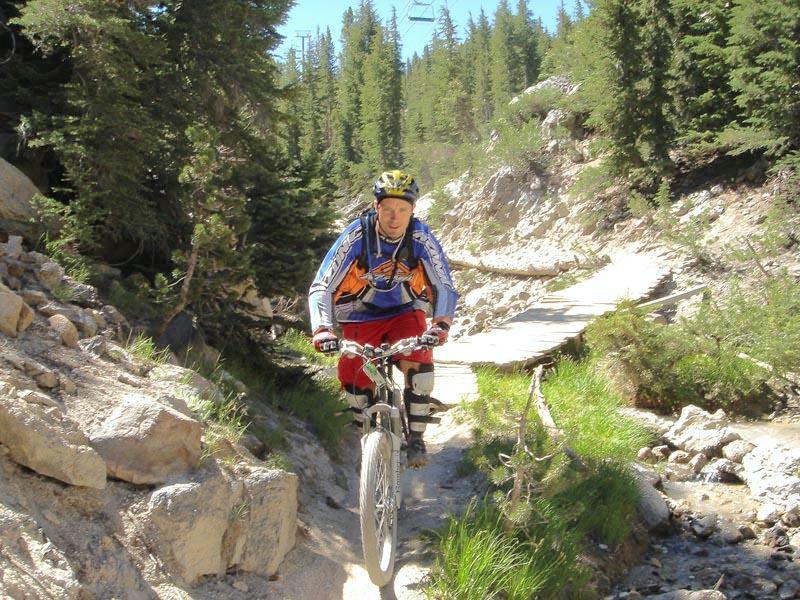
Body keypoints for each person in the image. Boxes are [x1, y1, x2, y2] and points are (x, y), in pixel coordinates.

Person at [308, 169, 458, 467]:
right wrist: (323, 329)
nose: (394, 217)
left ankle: (416, 438)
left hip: (404, 311)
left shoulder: (420, 237)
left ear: (412, 210)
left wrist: (440, 324)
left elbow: (443, 284)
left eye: (402, 210)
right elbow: (322, 284)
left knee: (421, 362)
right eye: (388, 209)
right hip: (357, 315)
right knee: (352, 372)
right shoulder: (356, 236)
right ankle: (364, 428)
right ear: (376, 207)